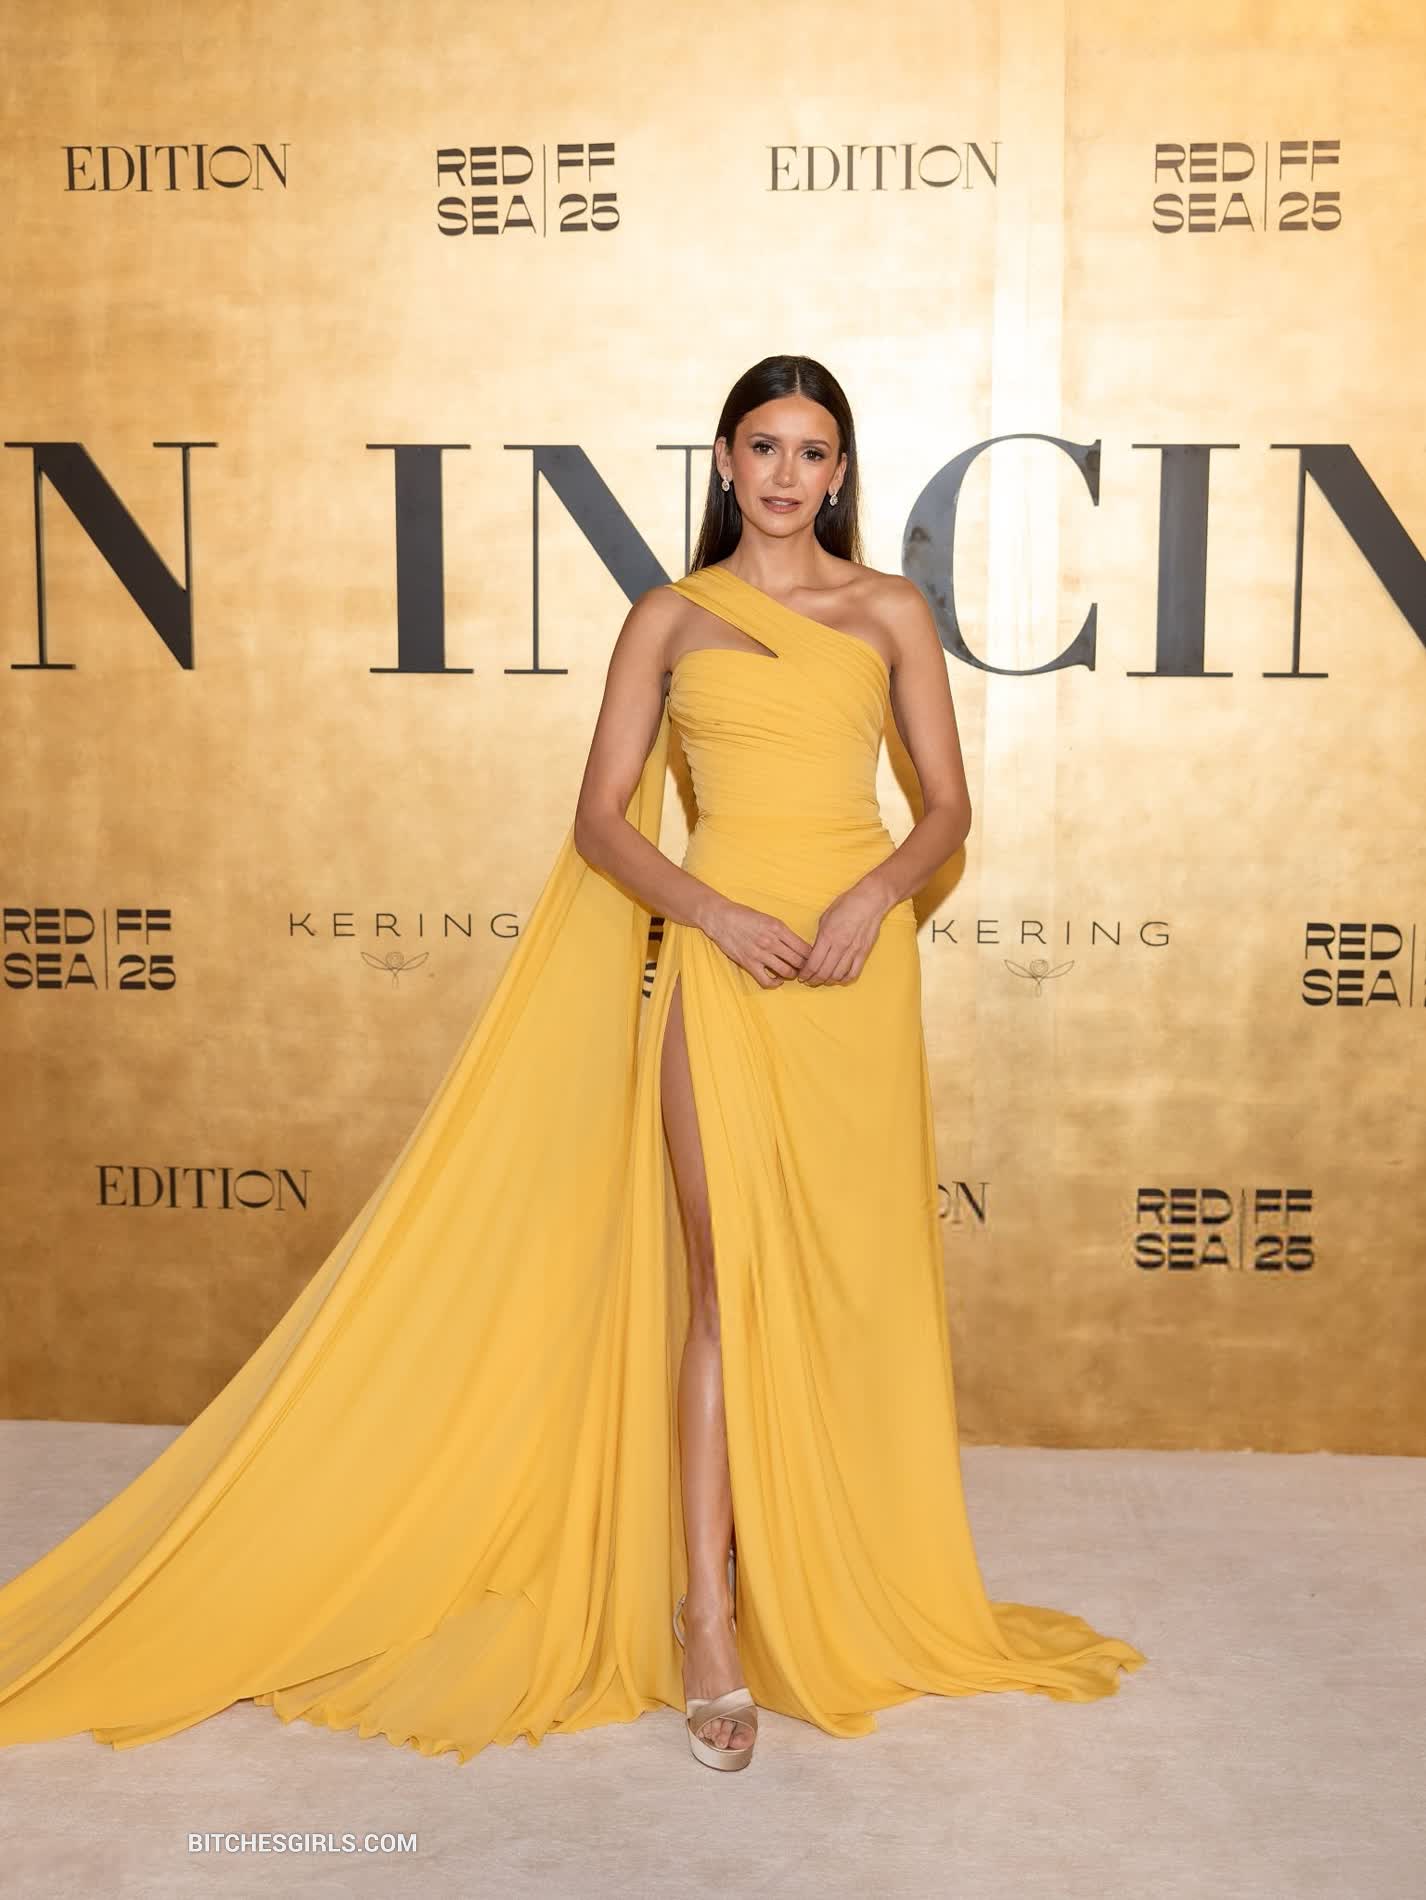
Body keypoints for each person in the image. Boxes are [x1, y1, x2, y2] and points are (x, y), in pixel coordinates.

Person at [0, 354, 1145, 1775]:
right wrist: (710, 912)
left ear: (842, 472)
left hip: (855, 972)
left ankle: (822, 1574)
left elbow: (946, 809)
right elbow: (603, 819)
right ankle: (707, 1619)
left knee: (847, 1283)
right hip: (724, 962)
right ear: (723, 461)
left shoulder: (889, 609)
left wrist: (870, 901)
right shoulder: (669, 615)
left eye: (813, 451)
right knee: (724, 1283)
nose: (787, 475)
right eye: (763, 447)